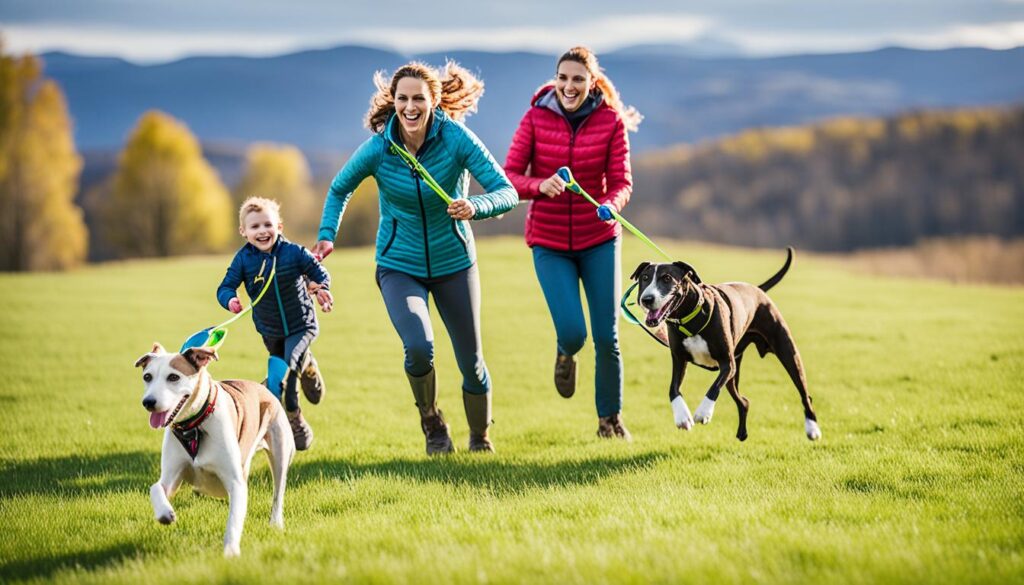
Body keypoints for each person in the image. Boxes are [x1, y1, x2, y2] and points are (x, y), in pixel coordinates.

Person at [312, 61, 517, 455]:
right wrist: (326, 236)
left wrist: (475, 206)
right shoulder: (378, 148)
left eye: (418, 99)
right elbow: (339, 188)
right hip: (398, 265)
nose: (409, 107)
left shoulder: (457, 139)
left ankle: (480, 436)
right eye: (402, 98)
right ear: (394, 101)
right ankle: (431, 419)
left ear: (433, 101)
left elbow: (505, 191)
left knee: (471, 361)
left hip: (454, 263)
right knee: (419, 346)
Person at [504, 46, 642, 440]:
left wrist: (610, 204)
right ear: (555, 79)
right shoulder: (535, 117)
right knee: (573, 331)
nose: (569, 86)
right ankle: (566, 352)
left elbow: (622, 182)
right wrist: (538, 185)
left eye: (578, 79)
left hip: (598, 238)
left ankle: (609, 422)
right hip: (549, 243)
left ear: (592, 83)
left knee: (606, 336)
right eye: (563, 78)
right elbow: (509, 175)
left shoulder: (610, 120)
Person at [217, 196, 333, 451]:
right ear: (243, 231)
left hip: (302, 325)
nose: (262, 231)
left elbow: (318, 273)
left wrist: (321, 288)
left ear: (279, 226)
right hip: (271, 332)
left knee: (290, 373)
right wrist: (231, 300)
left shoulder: (294, 253)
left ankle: (296, 420)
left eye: (267, 225)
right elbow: (225, 287)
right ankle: (309, 366)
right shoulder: (243, 260)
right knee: (274, 383)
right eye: (255, 227)